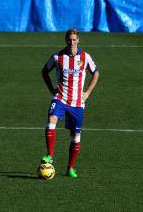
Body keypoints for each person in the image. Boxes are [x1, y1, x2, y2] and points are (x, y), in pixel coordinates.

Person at [40, 28, 99, 178]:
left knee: (75, 136)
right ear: (65, 40)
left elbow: (96, 73)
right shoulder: (57, 57)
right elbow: (44, 71)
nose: (71, 42)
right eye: (69, 39)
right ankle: (50, 155)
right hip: (60, 98)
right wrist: (51, 89)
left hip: (77, 102)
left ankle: (70, 168)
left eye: (74, 39)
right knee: (51, 119)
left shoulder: (85, 57)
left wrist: (87, 93)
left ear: (78, 40)